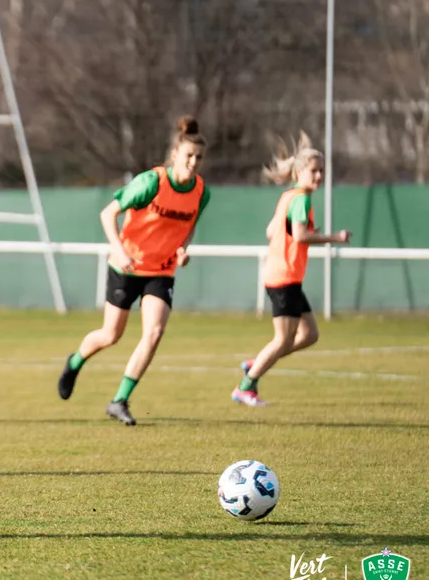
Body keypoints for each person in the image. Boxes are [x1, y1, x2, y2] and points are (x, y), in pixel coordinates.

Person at [57, 116, 211, 426]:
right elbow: (108, 214)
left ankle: (120, 400)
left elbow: (189, 227)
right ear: (175, 155)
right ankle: (75, 361)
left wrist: (183, 249)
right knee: (111, 335)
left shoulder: (201, 192)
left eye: (199, 157)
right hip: (127, 266)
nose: (194, 162)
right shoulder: (151, 182)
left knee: (154, 332)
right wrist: (119, 249)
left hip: (161, 270)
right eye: (189, 156)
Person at [233, 133, 350, 406]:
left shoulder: (289, 196)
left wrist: (306, 232)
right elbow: (298, 236)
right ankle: (245, 388)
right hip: (283, 277)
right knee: (283, 340)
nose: (319, 176)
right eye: (314, 171)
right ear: (299, 172)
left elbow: (271, 230)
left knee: (309, 335)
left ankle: (258, 362)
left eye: (322, 171)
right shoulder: (302, 200)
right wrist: (334, 237)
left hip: (286, 276)